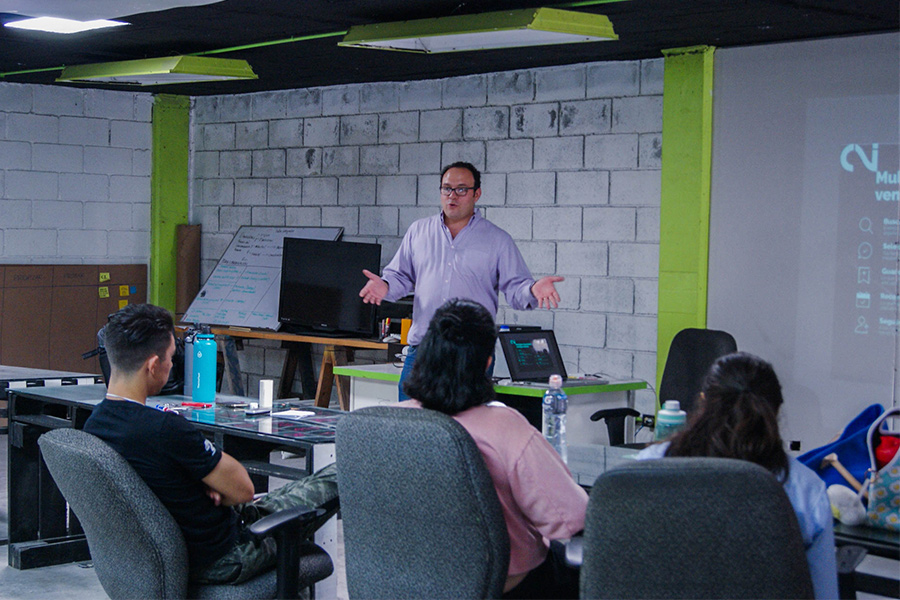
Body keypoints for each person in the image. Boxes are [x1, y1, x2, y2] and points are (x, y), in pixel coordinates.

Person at [83, 303, 338, 585]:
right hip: (227, 554)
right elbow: (242, 489)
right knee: (343, 473)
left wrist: (201, 483)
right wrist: (215, 484)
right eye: (170, 358)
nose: (172, 365)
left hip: (175, 549)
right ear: (153, 366)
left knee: (295, 494)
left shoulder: (96, 424)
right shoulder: (165, 429)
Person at [401, 299, 587, 599]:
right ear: (487, 363)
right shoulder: (504, 427)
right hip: (500, 583)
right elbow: (572, 518)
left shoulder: (392, 420)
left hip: (409, 577)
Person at [636, 352, 838, 599]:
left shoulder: (645, 469)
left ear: (703, 402)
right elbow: (824, 593)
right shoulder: (806, 490)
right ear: (776, 411)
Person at [359, 161, 564, 399]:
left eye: (461, 189)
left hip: (472, 353)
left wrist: (532, 289)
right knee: (412, 425)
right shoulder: (419, 231)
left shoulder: (497, 240)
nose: (452, 196)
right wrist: (384, 286)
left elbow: (516, 288)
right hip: (424, 349)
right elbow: (400, 276)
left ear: (476, 193)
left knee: (466, 427)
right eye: (446, 189)